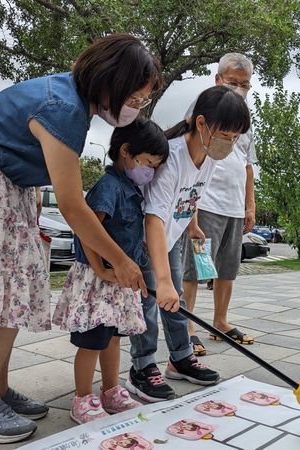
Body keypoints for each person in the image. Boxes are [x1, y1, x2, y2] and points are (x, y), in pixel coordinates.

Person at [0, 33, 161, 443]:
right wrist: (124, 261)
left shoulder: (70, 99)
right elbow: (73, 205)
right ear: (111, 82)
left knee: (13, 286)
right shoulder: (63, 109)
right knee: (6, 290)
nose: (137, 106)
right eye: (136, 96)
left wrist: (103, 259)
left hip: (6, 181)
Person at [126, 86, 251, 402]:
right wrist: (163, 279)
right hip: (145, 242)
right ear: (201, 124)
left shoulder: (209, 157)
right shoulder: (171, 157)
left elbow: (191, 196)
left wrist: (193, 226)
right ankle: (142, 368)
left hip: (172, 236)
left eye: (236, 138)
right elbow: (152, 218)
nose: (230, 144)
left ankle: (180, 359)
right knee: (150, 302)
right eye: (225, 134)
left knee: (176, 300)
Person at [52, 119, 169, 423]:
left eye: (156, 166)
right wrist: (100, 269)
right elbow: (85, 229)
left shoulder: (132, 188)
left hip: (120, 279)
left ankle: (111, 389)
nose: (150, 171)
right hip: (98, 279)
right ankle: (82, 398)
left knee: (114, 337)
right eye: (148, 163)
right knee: (92, 340)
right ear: (126, 152)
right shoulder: (109, 187)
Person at [181, 53, 257, 356]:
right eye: (232, 82)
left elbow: (248, 165)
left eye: (245, 85)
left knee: (228, 268)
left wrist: (249, 205)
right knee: (194, 270)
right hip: (206, 204)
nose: (239, 89)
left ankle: (220, 321)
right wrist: (193, 210)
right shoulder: (204, 107)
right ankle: (187, 327)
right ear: (218, 79)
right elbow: (190, 157)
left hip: (234, 208)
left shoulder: (246, 118)